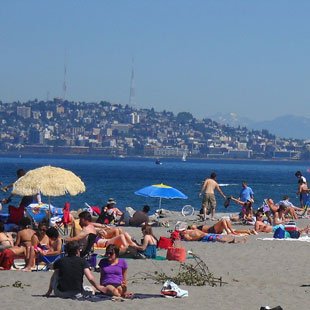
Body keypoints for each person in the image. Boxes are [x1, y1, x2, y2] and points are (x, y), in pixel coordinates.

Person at [191, 219, 257, 235]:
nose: (192, 225)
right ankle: (229, 232)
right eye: (191, 226)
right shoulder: (196, 229)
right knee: (223, 220)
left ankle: (231, 231)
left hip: (215, 229)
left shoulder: (197, 228)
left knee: (225, 220)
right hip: (212, 230)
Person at [180, 228, 247, 243]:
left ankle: (235, 241)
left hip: (207, 234)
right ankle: (236, 241)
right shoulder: (186, 235)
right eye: (183, 230)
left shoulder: (188, 230)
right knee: (217, 238)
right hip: (204, 237)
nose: (185, 230)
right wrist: (201, 236)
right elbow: (191, 239)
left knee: (222, 236)